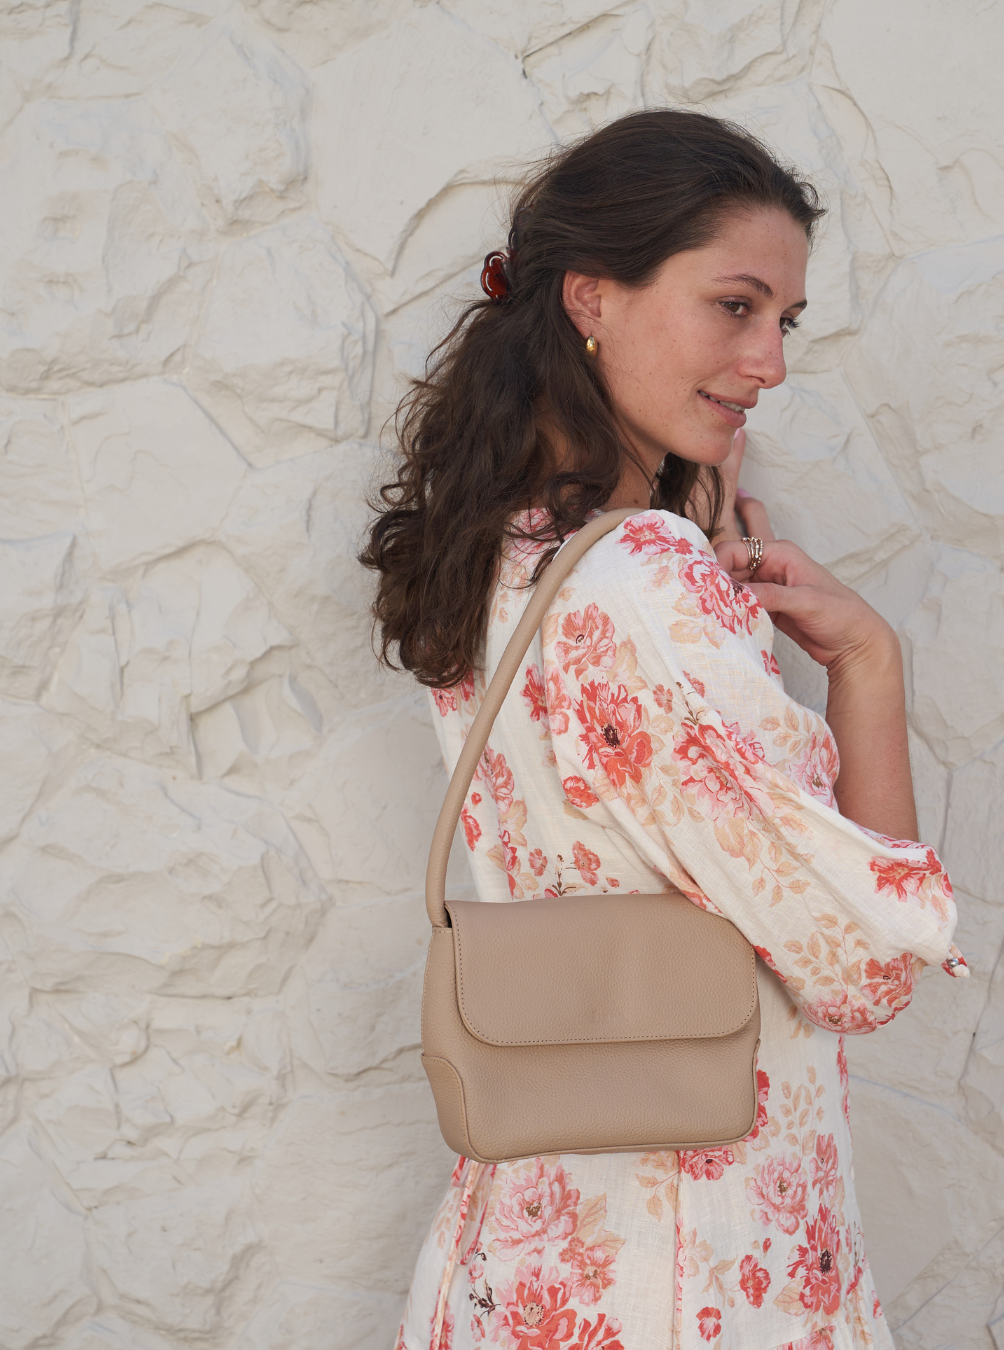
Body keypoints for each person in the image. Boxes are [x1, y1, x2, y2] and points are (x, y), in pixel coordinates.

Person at [363, 109, 966, 1350]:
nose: (771, 362)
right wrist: (866, 658)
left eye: (784, 322)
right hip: (693, 1269)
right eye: (734, 307)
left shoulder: (499, 558)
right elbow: (863, 966)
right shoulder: (647, 578)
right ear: (592, 296)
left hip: (524, 1253)